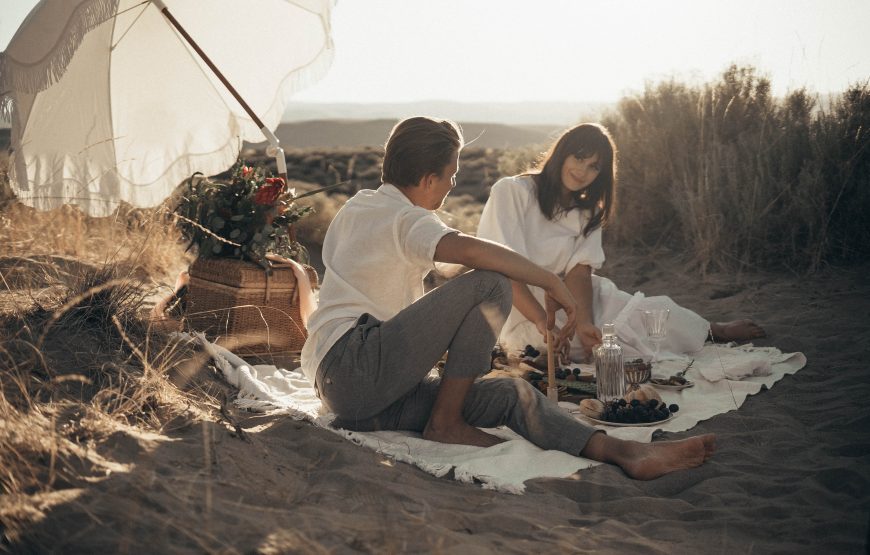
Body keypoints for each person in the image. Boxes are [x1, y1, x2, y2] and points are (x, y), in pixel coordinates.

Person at [300, 116, 715, 479]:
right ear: (428, 180)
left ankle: (624, 452)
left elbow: (436, 286)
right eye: (451, 175)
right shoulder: (402, 217)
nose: (452, 184)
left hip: (365, 397)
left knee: (507, 392)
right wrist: (550, 283)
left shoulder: (358, 208)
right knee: (491, 283)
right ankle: (445, 423)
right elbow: (473, 254)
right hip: (354, 365)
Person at [476, 123, 765, 362]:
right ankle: (557, 336)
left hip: (575, 301)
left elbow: (579, 272)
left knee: (647, 315)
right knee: (553, 348)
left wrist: (584, 321)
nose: (583, 171)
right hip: (520, 302)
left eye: (594, 167)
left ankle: (711, 331)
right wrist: (542, 321)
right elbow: (503, 267)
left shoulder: (587, 210)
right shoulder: (513, 191)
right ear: (562, 153)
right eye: (579, 158)